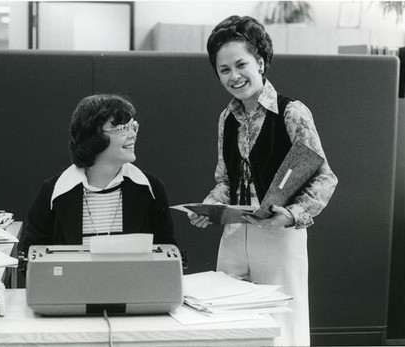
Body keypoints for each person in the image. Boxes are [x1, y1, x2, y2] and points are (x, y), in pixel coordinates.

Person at [188, 15, 338, 346]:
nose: (233, 76)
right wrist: (210, 206)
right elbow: (226, 180)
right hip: (233, 233)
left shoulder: (292, 113)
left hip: (278, 236)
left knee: (283, 330)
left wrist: (293, 214)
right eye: (223, 69)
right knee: (230, 327)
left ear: (260, 60)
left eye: (240, 64)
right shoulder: (226, 119)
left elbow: (323, 177)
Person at [19, 94, 176, 256]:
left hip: (135, 281)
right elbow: (31, 261)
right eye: (122, 128)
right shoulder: (53, 192)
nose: (132, 135)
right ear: (93, 136)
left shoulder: (150, 188)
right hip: (71, 281)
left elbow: (167, 256)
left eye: (133, 127)